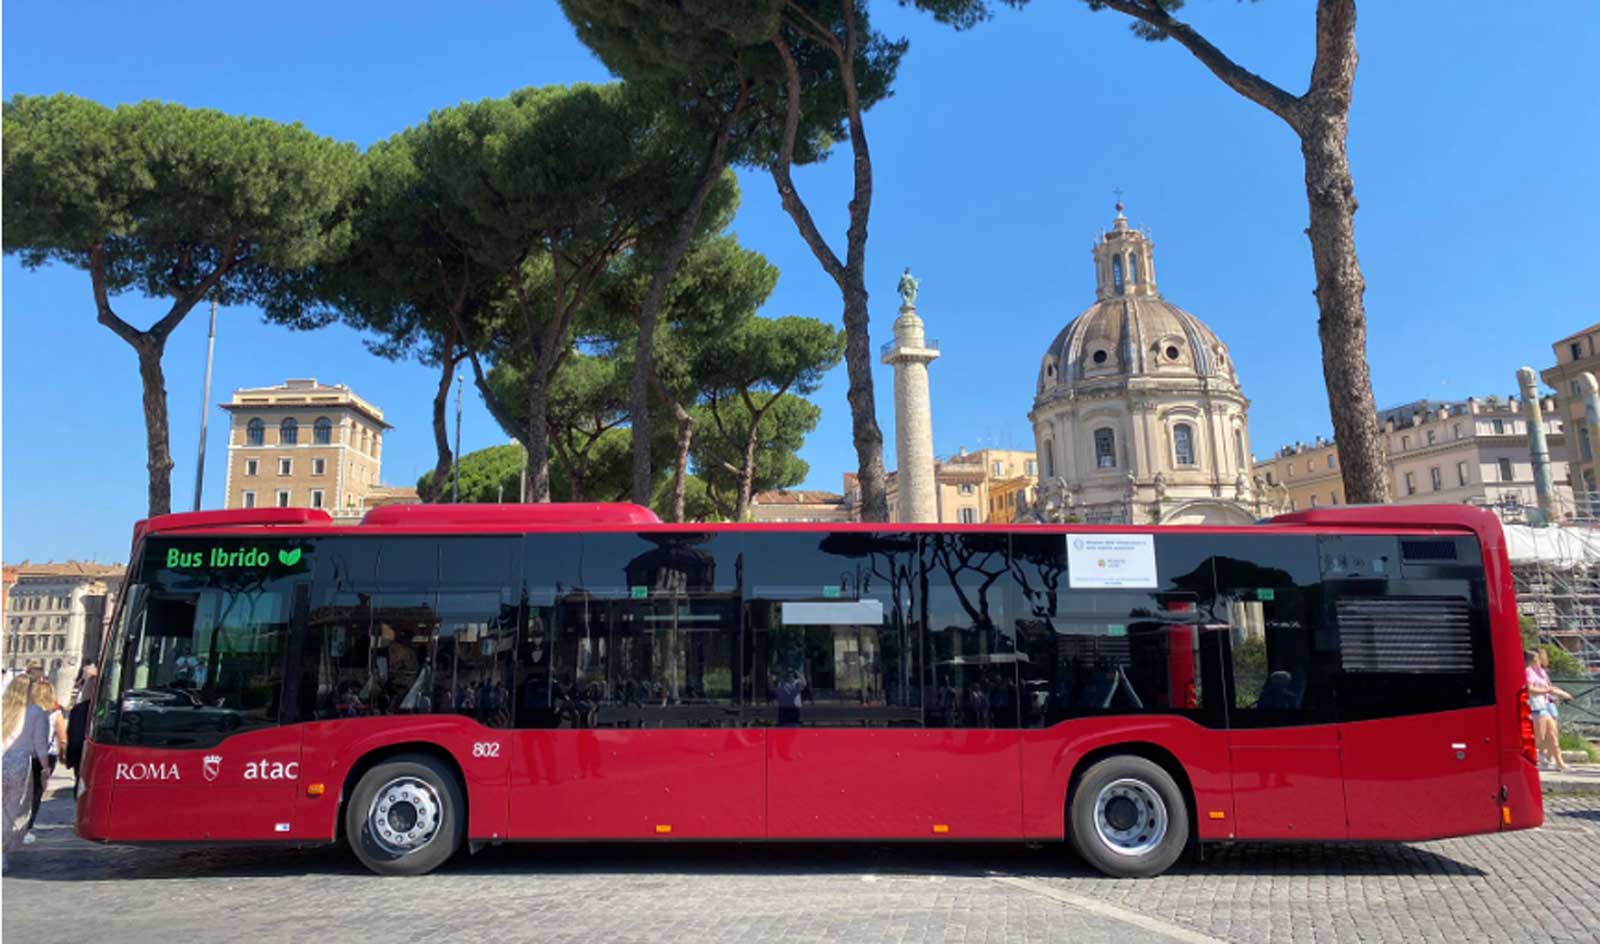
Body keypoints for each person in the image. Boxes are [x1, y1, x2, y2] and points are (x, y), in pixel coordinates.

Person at [3, 677, 52, 854]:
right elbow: (40, 745)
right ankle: (3, 851)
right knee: (12, 809)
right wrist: (46, 769)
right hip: (20, 763)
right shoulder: (35, 712)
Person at [26, 679, 67, 838]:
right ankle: (28, 826)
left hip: (26, 754)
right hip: (47, 756)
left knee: (22, 791)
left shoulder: (26, 710)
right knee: (37, 793)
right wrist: (64, 755)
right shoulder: (55, 713)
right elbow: (62, 738)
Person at [1528, 648, 1573, 771]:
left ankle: (1559, 763)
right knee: (1540, 737)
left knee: (1553, 734)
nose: (1540, 660)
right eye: (1537, 658)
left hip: (1544, 705)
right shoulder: (1529, 672)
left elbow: (1549, 687)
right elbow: (1530, 689)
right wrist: (1548, 691)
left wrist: (1561, 694)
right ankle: (1537, 758)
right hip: (1537, 706)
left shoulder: (1540, 672)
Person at [65, 665, 97, 798]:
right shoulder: (104, 709)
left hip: (80, 754)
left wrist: (70, 759)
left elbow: (73, 735)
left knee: (80, 786)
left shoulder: (78, 710)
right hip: (92, 754)